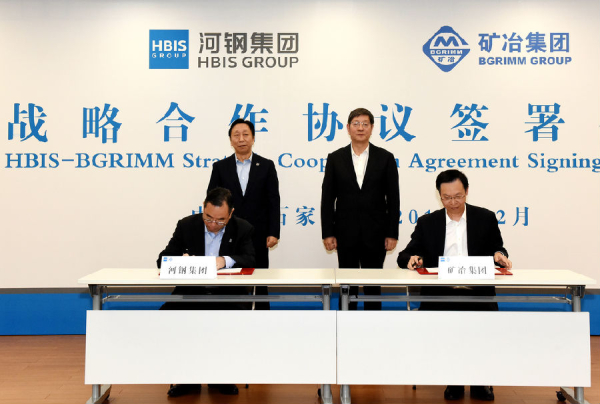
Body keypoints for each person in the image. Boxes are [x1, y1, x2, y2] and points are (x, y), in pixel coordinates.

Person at [397, 169, 512, 401]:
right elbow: (405, 255)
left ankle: (480, 382)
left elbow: (498, 248)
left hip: (478, 291)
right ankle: (454, 380)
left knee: (480, 328)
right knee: (449, 327)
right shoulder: (428, 222)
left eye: (458, 196)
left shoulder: (485, 218)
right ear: (439, 195)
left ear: (467, 191)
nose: (453, 202)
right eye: (447, 197)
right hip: (441, 293)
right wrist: (412, 259)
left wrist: (499, 255)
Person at [157, 187, 255, 397]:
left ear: (230, 214)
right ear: (203, 208)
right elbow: (162, 259)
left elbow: (251, 259)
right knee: (172, 317)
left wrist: (225, 260)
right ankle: (186, 379)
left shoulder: (242, 228)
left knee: (229, 318)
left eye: (220, 221)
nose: (212, 224)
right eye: (208, 218)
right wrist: (179, 260)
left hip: (227, 296)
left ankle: (222, 377)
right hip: (190, 294)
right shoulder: (186, 225)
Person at [321, 107, 400, 310]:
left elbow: (393, 199)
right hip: (345, 232)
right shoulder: (335, 158)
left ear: (372, 128)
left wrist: (392, 233)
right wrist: (328, 232)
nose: (360, 128)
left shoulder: (385, 157)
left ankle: (373, 322)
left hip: (376, 232)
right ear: (348, 128)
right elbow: (327, 198)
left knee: (373, 283)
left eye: (365, 124)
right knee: (348, 284)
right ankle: (347, 320)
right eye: (356, 124)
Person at [208, 118, 280, 309]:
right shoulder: (220, 167)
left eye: (246, 134)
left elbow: (273, 201)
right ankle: (228, 312)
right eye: (236, 135)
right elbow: (212, 200)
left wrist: (273, 232)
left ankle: (262, 314)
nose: (241, 139)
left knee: (260, 277)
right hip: (228, 232)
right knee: (229, 275)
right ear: (230, 140)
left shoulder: (266, 165)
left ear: (253, 138)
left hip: (259, 232)